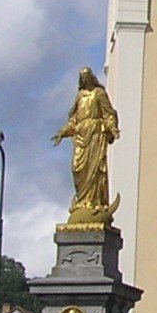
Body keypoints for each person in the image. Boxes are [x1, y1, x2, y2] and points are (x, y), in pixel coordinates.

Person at [52, 67, 120, 227]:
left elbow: (109, 113)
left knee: (95, 169)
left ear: (91, 77)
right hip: (81, 136)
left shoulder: (99, 94)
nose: (83, 79)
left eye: (85, 76)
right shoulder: (79, 96)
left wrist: (112, 128)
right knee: (77, 168)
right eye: (81, 77)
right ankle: (82, 201)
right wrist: (62, 132)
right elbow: (73, 120)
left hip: (95, 135)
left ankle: (95, 203)